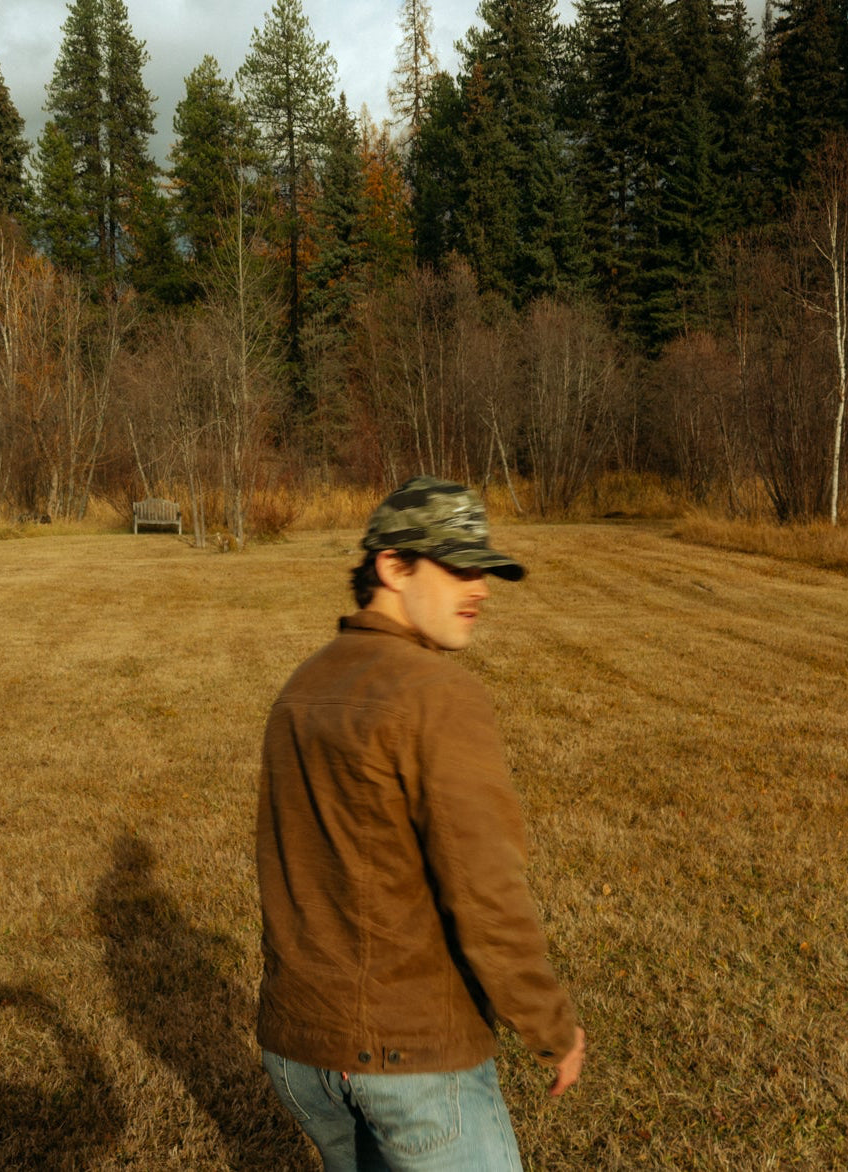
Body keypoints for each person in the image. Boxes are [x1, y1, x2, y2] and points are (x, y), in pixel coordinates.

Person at [257, 475, 585, 1171]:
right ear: (393, 567)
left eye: (486, 569)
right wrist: (551, 1026)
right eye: (460, 566)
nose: (482, 587)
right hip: (408, 1059)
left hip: (298, 1052)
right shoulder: (436, 694)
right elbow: (487, 890)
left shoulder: (303, 686)